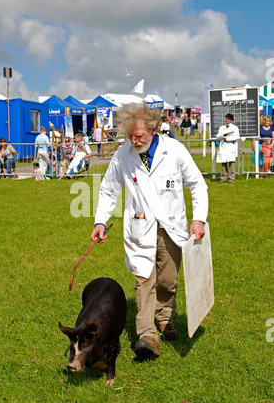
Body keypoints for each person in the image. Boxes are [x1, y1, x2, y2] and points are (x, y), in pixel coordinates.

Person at [91, 103, 208, 359]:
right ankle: (147, 336)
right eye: (130, 136)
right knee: (144, 280)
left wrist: (199, 219)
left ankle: (165, 320)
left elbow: (197, 185)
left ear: (153, 130)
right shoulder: (123, 155)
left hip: (172, 226)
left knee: (167, 280)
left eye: (139, 136)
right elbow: (109, 189)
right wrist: (100, 221)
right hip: (139, 226)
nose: (134, 141)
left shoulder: (175, 150)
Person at [216, 113, 240, 184]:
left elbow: (236, 137)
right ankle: (223, 178)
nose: (227, 120)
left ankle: (231, 178)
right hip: (223, 146)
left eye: (228, 119)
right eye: (226, 118)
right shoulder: (221, 127)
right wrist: (223, 136)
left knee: (231, 163)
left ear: (231, 120)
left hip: (231, 146)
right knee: (223, 163)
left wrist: (227, 138)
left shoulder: (235, 128)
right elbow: (218, 136)